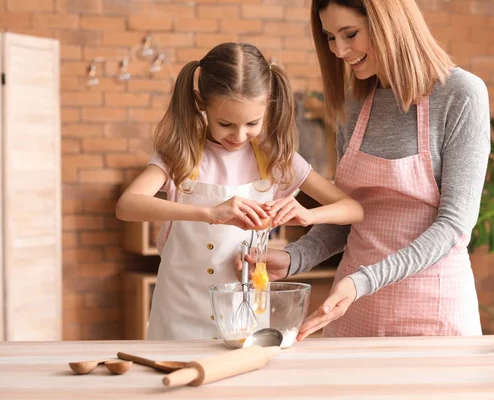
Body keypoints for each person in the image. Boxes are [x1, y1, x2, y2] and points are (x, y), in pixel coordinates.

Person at [237, 0, 490, 340]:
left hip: (431, 309)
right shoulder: (354, 102)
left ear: (390, 22)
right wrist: (293, 257)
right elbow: (351, 218)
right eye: (330, 37)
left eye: (350, 34)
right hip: (354, 309)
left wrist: (363, 281)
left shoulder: (460, 95)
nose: (340, 50)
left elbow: (454, 226)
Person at [116, 42, 364, 341]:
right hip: (179, 313)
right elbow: (127, 205)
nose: (239, 135)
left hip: (246, 313)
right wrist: (209, 213)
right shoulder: (181, 154)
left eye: (252, 123)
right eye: (225, 123)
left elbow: (353, 209)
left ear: (268, 107)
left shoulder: (276, 158)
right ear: (200, 102)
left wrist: (307, 214)